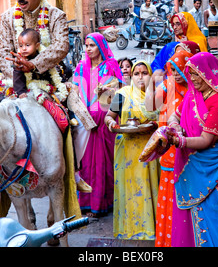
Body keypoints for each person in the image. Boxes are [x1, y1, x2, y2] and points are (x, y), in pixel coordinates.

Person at [167, 52, 218, 247]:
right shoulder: (192, 94)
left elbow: (206, 140)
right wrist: (175, 126)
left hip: (215, 169)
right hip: (191, 166)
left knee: (212, 221)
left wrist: (180, 141)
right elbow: (175, 115)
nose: (193, 79)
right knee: (188, 221)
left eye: (197, 74)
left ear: (209, 74)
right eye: (190, 74)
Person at [105, 60, 160, 240]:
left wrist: (156, 123)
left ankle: (149, 230)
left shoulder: (157, 96)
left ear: (150, 76)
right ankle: (128, 230)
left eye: (144, 73)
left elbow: (164, 120)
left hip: (149, 148)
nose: (140, 77)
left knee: (146, 187)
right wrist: (111, 123)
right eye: (136, 73)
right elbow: (109, 116)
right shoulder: (122, 94)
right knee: (129, 189)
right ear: (131, 76)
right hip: (126, 148)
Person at [145, 48, 193, 247]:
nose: (175, 75)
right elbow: (150, 106)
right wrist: (150, 81)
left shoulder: (196, 89)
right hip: (168, 148)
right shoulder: (168, 84)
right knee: (168, 197)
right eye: (171, 69)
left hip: (190, 149)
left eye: (178, 70)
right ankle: (167, 241)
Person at [72, 32, 123, 217]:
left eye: (92, 45)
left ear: (101, 46)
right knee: (84, 162)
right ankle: (85, 202)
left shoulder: (111, 66)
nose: (88, 49)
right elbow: (75, 92)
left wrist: (111, 107)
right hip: (85, 122)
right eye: (86, 45)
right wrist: (79, 113)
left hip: (104, 121)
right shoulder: (81, 67)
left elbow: (120, 93)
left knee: (103, 163)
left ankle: (102, 202)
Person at [0, 0, 69, 80]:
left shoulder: (56, 15)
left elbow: (61, 46)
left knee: (72, 97)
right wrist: (17, 77)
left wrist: (33, 65)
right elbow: (3, 52)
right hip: (16, 78)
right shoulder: (7, 17)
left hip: (49, 76)